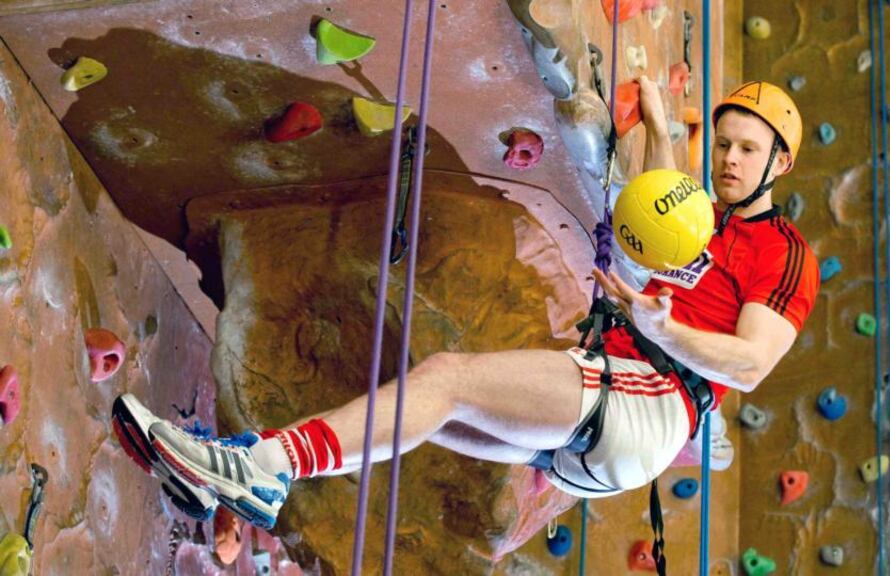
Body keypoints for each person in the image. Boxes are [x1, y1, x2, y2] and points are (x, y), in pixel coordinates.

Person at [112, 77, 819, 529]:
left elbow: (753, 362)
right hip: (611, 423)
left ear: (779, 163)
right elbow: (664, 204)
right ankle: (248, 477)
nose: (729, 159)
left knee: (446, 377)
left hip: (652, 397)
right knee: (431, 406)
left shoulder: (784, 251)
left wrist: (663, 327)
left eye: (748, 150)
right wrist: (662, 125)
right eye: (723, 144)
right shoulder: (707, 223)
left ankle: (258, 468)